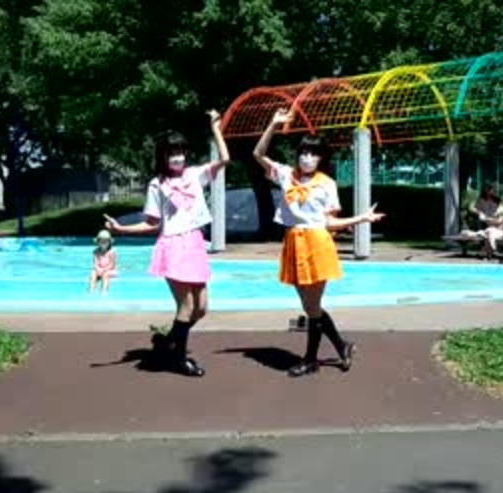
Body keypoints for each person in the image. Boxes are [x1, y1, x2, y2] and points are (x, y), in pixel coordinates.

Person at [253, 108, 385, 377]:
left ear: (321, 157)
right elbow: (258, 154)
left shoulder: (327, 184)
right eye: (303, 152)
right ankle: (342, 345)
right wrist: (273, 125)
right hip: (293, 241)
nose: (307, 158)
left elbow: (329, 223)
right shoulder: (286, 174)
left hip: (316, 242)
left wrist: (361, 218)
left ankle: (311, 359)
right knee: (308, 306)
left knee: (312, 307)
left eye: (313, 154)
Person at [104, 110, 230, 377]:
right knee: (186, 306)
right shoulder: (157, 185)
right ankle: (178, 359)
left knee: (201, 309)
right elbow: (152, 223)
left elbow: (225, 159)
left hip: (194, 243)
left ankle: (168, 341)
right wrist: (121, 229)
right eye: (172, 152)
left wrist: (215, 128)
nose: (178, 157)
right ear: (162, 155)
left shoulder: (195, 175)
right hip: (172, 246)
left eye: (181, 151)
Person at [470, 185, 503, 260]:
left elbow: (499, 221)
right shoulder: (482, 202)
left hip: (499, 230)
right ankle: (492, 252)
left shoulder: (502, 210)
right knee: (489, 233)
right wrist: (481, 214)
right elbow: (474, 208)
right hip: (489, 229)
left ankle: (484, 253)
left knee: (489, 233)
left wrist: (488, 219)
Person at [90, 229, 117, 295]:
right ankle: (91, 289)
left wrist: (104, 270)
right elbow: (95, 263)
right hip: (100, 269)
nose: (103, 243)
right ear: (98, 242)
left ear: (109, 242)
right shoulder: (96, 251)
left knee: (105, 274)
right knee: (93, 273)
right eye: (101, 241)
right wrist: (98, 269)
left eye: (105, 241)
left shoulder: (112, 252)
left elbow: (112, 265)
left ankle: (104, 290)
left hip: (110, 270)